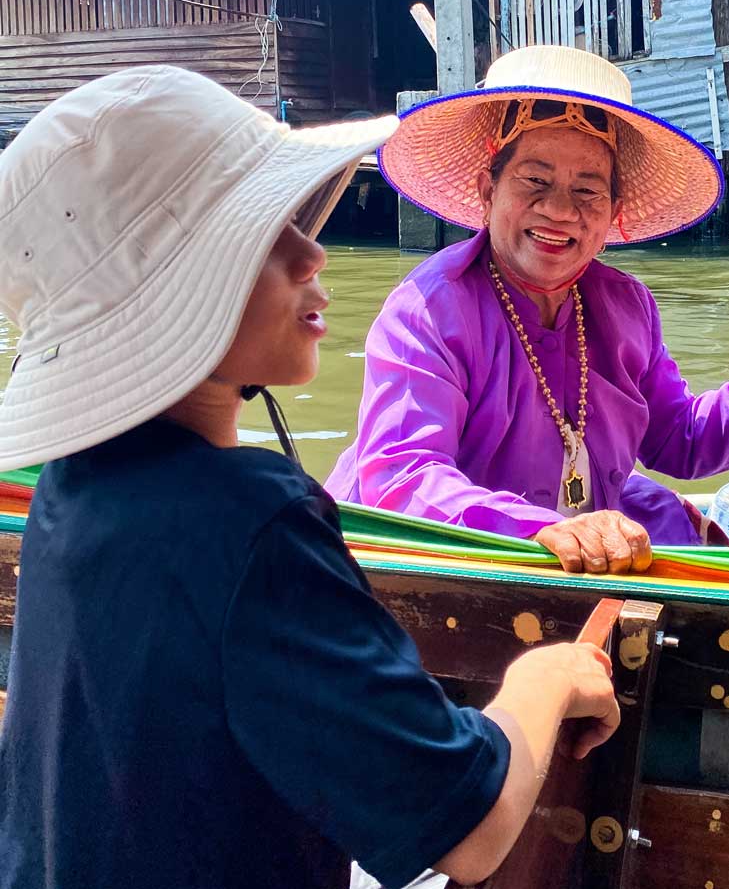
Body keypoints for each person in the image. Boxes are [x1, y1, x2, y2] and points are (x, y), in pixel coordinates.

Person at [0, 66, 619, 889]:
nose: (312, 252)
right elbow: (468, 830)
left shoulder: (68, 489)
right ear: (166, 295)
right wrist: (542, 680)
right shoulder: (255, 518)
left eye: (292, 222)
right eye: (262, 236)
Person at [325, 45, 729, 574]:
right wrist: (540, 528)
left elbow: (680, 441)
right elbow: (402, 476)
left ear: (613, 214)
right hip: (453, 566)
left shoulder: (625, 306)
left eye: (587, 190)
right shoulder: (429, 310)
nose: (559, 211)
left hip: (588, 551)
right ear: (488, 191)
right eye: (535, 181)